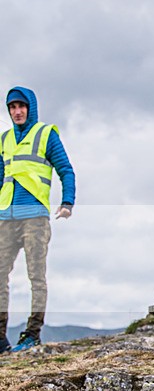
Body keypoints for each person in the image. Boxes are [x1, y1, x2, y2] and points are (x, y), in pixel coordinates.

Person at [0, 87, 75, 353]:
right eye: (12, 107)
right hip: (5, 218)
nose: (17, 111)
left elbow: (65, 169)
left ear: (30, 108)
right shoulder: (4, 139)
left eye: (21, 106)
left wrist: (67, 202)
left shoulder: (46, 134)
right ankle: (0, 338)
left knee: (36, 277)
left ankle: (32, 334)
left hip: (35, 217)